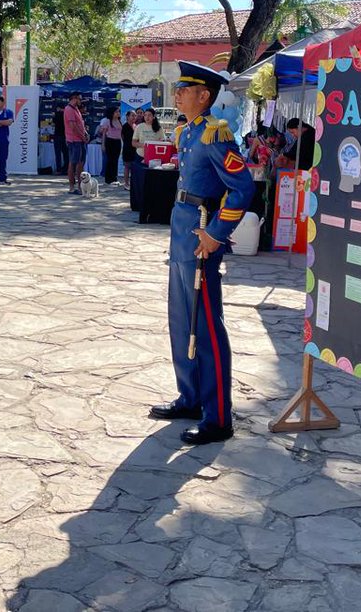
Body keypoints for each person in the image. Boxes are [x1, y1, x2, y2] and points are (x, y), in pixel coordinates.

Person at [148, 62, 254, 445]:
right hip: (182, 233)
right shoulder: (189, 132)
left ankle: (218, 417)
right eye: (177, 89)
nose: (177, 95)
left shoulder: (216, 135)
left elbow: (242, 188)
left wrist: (216, 234)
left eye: (184, 89)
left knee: (207, 327)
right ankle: (190, 397)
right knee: (181, 320)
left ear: (204, 95)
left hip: (201, 237)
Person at [63, 92, 88, 194]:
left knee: (81, 163)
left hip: (80, 140)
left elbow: (80, 124)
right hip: (74, 140)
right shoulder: (68, 109)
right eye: (79, 99)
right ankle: (72, 187)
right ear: (74, 98)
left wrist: (85, 133)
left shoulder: (76, 109)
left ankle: (80, 186)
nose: (80, 101)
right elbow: (73, 127)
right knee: (73, 163)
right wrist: (82, 136)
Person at [100, 106, 123, 185]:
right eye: (116, 112)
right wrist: (103, 144)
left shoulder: (120, 121)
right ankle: (108, 178)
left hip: (117, 142)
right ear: (112, 113)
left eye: (119, 112)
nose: (118, 113)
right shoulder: (107, 121)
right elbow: (103, 134)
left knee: (115, 160)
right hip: (110, 141)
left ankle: (114, 177)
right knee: (110, 160)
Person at [121, 110, 138, 189]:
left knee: (134, 167)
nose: (134, 117)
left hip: (135, 149)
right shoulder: (124, 126)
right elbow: (123, 138)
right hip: (127, 148)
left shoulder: (136, 126)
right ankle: (126, 184)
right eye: (132, 115)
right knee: (127, 166)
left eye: (135, 115)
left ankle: (133, 183)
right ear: (127, 117)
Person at [52, 100, 68, 175]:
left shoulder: (57, 114)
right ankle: (66, 168)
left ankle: (58, 169)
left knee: (58, 153)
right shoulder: (67, 114)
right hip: (65, 135)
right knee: (65, 153)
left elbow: (54, 121)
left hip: (57, 135)